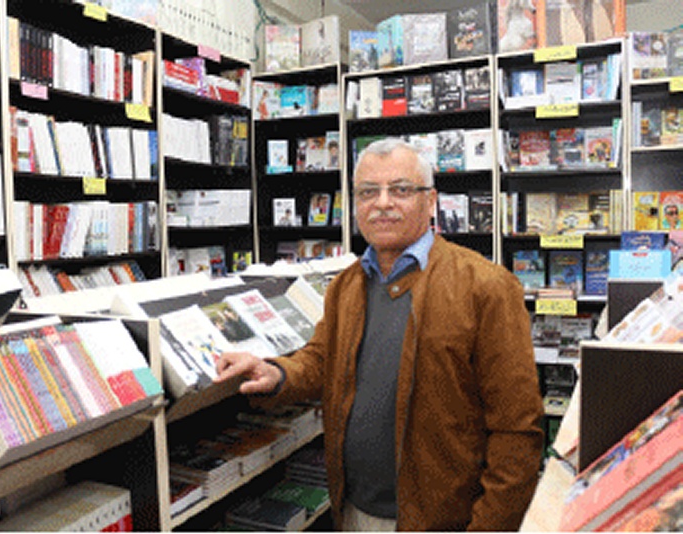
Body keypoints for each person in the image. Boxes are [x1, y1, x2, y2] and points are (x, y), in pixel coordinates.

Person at [215, 138, 544, 531]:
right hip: (353, 510)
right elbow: (322, 359)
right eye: (369, 192)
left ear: (431, 200)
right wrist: (277, 373)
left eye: (401, 190)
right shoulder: (346, 285)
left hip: (444, 521)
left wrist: (489, 527)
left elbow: (518, 430)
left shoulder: (486, 287)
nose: (383, 203)